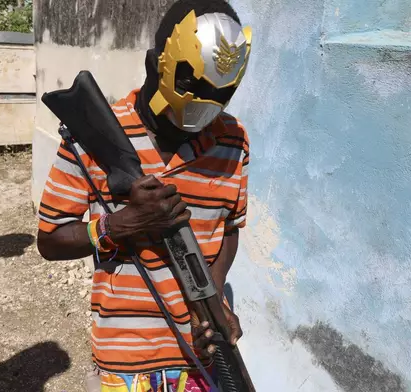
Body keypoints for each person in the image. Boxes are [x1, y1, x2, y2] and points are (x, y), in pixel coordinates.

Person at [37, 0, 252, 390]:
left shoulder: (233, 141)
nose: (203, 113)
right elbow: (50, 240)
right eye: (191, 89)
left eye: (217, 95)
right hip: (125, 361)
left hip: (197, 362)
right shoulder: (93, 135)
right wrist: (120, 224)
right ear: (156, 64)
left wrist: (214, 298)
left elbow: (230, 228)